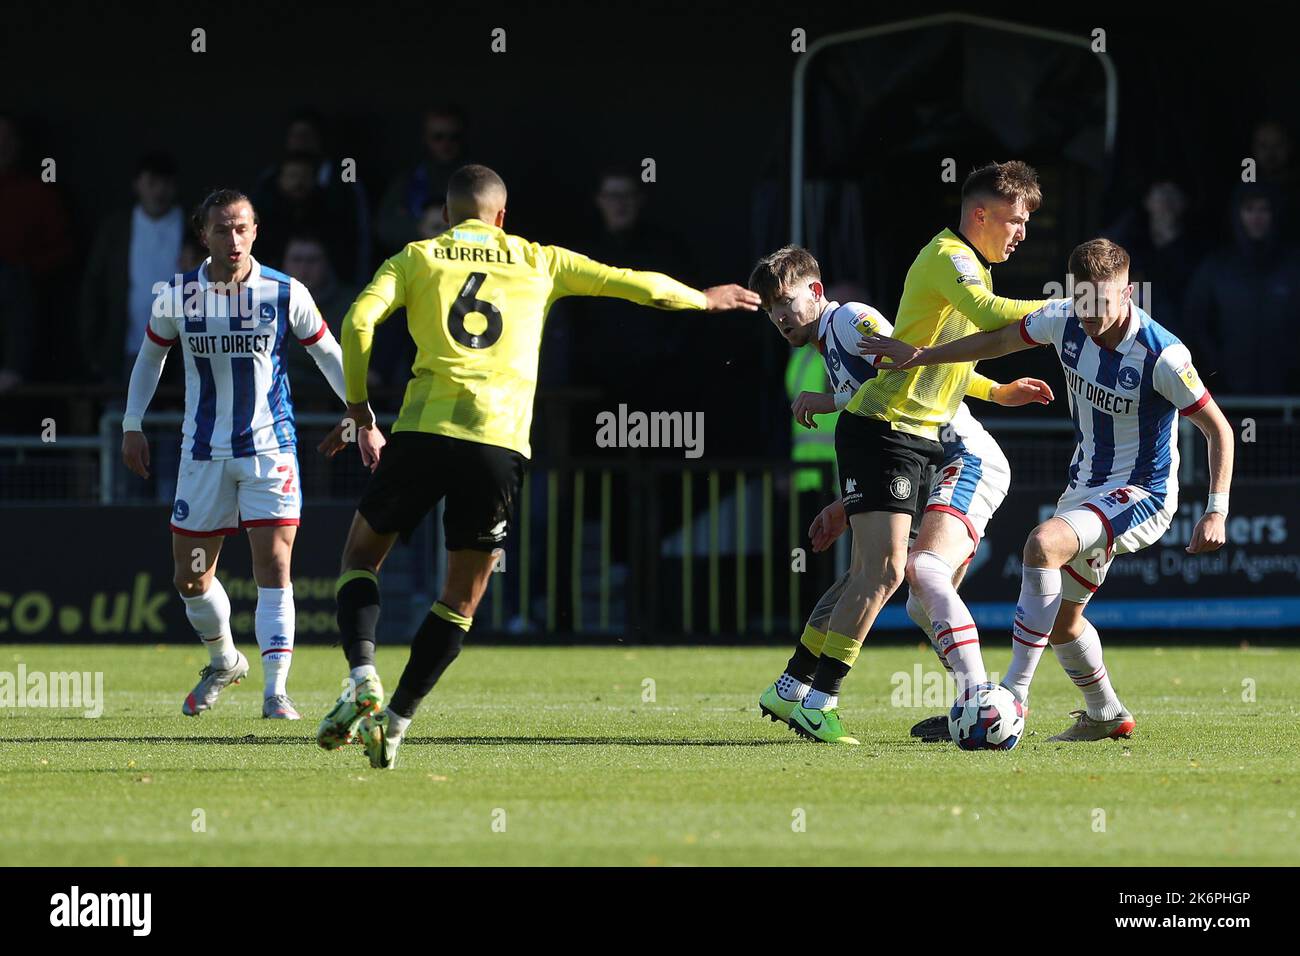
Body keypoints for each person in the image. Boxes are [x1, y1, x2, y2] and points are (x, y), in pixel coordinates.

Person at [314, 163, 760, 768]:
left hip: (422, 431)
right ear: (501, 217)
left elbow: (357, 321)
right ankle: (395, 722)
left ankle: (362, 671)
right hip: (498, 445)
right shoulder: (540, 260)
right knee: (460, 600)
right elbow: (634, 284)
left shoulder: (417, 256)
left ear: (446, 214)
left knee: (360, 559)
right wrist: (703, 299)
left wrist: (359, 410)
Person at [864, 238, 1234, 741]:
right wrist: (923, 356)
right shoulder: (1063, 318)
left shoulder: (1162, 355)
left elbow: (1218, 429)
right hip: (1084, 489)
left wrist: (1216, 510)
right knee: (1061, 622)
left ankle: (1012, 697)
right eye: (1082, 301)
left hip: (1141, 493)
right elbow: (998, 341)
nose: (1090, 315)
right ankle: (1106, 714)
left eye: (1102, 303)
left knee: (1042, 544)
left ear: (1128, 293)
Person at [754, 161, 1048, 745]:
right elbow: (914, 367)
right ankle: (813, 694)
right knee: (884, 575)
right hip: (901, 442)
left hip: (931, 443)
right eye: (771, 309)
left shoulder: (850, 322)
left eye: (786, 301)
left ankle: (802, 688)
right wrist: (1065, 312)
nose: (780, 316)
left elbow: (913, 365)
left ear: (816, 292)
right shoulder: (844, 331)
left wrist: (998, 388)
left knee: (881, 574)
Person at [120, 189, 383, 720]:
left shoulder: (285, 292)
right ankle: (225, 660)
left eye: (242, 228)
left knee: (275, 566)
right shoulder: (177, 295)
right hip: (203, 453)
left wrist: (364, 417)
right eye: (222, 229)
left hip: (270, 449)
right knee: (190, 577)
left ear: (256, 231)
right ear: (204, 236)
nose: (233, 239)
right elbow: (149, 360)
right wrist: (131, 424)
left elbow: (329, 354)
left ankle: (275, 693)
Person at [80, 152, 185, 386]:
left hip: (183, 352)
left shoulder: (193, 228)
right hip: (127, 347)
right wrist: (94, 349)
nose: (159, 191)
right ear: (137, 184)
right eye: (152, 183)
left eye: (166, 183)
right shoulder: (116, 229)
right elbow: (94, 287)